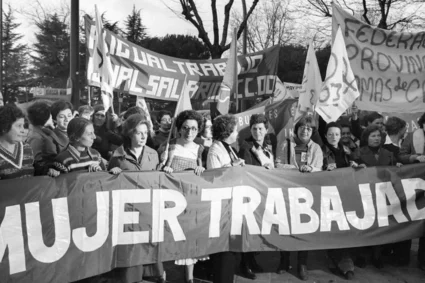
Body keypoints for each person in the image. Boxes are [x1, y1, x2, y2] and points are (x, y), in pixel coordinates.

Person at [107, 114, 165, 283]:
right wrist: (113, 174)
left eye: (145, 132)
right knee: (131, 251)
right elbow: (108, 183)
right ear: (130, 134)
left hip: (148, 208)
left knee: (149, 249)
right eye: (139, 133)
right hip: (128, 211)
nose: (143, 136)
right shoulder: (118, 156)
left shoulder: (153, 154)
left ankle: (154, 275)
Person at [160, 110, 206, 283]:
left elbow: (204, 175)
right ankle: (163, 276)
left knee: (189, 237)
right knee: (167, 238)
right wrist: (165, 168)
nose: (190, 132)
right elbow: (158, 171)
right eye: (186, 128)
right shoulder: (169, 146)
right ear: (179, 129)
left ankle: (190, 278)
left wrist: (201, 170)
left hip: (190, 200)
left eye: (194, 129)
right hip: (171, 202)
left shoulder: (199, 149)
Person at [275, 116, 323, 281]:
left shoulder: (316, 148)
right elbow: (278, 165)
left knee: (304, 228)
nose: (305, 130)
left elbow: (319, 168)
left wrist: (311, 168)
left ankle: (302, 263)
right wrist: (297, 169)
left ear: (312, 132)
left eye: (309, 128)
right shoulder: (285, 144)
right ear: (296, 130)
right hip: (287, 192)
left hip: (306, 195)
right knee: (285, 227)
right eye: (302, 127)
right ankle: (284, 260)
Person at [355, 124, 401, 269]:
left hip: (383, 195)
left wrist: (398, 167)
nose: (376, 138)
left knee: (380, 225)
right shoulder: (358, 152)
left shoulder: (389, 154)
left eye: (378, 136)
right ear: (366, 138)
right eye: (372, 136)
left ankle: (377, 256)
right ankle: (361, 256)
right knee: (365, 226)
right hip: (365, 195)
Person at [206, 114, 245, 283]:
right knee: (224, 254)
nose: (237, 133)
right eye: (235, 130)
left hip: (231, 205)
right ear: (227, 131)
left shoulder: (228, 147)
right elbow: (215, 177)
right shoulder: (215, 149)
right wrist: (232, 167)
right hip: (222, 208)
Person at [237, 113, 274, 280]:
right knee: (249, 230)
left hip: (265, 191)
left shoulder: (268, 145)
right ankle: (245, 264)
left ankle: (252, 260)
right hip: (251, 193)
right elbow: (249, 171)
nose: (257, 132)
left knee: (258, 229)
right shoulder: (246, 146)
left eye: (260, 128)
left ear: (266, 130)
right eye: (254, 129)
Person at [321, 122, 357, 280]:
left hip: (346, 194)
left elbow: (359, 162)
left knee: (345, 228)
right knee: (334, 229)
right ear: (325, 135)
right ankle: (340, 262)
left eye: (336, 134)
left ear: (340, 135)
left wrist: (355, 164)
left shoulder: (348, 150)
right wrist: (324, 170)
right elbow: (315, 169)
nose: (333, 137)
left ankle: (344, 261)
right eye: (330, 134)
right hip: (329, 196)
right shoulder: (321, 151)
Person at [0, 105, 34, 179]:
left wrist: (49, 169)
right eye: (19, 126)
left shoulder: (26, 148)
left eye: (23, 126)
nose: (23, 130)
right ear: (4, 127)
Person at [26, 101, 58, 176]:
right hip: (47, 175)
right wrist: (47, 169)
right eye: (50, 115)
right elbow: (35, 161)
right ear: (45, 117)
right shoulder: (36, 137)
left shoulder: (44, 131)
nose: (52, 118)